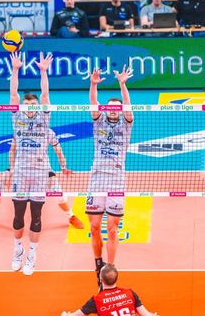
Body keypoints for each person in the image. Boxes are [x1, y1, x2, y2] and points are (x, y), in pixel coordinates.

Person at [87, 65, 133, 288]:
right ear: (106, 110)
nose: (113, 111)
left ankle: (110, 269)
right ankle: (99, 265)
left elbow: (128, 106)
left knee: (112, 229)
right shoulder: (99, 121)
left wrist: (122, 84)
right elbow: (93, 103)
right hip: (97, 179)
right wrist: (93, 84)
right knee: (94, 227)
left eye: (117, 108)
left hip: (116, 181)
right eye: (110, 108)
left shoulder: (126, 123)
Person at [9, 51, 54, 276]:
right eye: (27, 104)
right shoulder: (16, 116)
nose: (29, 106)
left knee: (36, 215)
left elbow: (45, 94)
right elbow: (13, 94)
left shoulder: (44, 117)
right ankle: (18, 249)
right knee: (18, 215)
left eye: (32, 103)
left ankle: (32, 255)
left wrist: (43, 72)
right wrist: (15, 70)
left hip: (39, 173)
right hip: (20, 172)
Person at [0, 134, 85, 229]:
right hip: (21, 169)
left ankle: (71, 216)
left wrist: (63, 167)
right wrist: (12, 171)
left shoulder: (48, 133)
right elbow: (12, 150)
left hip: (43, 170)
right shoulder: (19, 131)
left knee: (57, 191)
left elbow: (58, 151)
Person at [61, 264, 158, 316]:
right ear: (117, 278)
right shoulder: (130, 293)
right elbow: (145, 314)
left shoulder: (96, 300)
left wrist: (65, 314)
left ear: (101, 279)